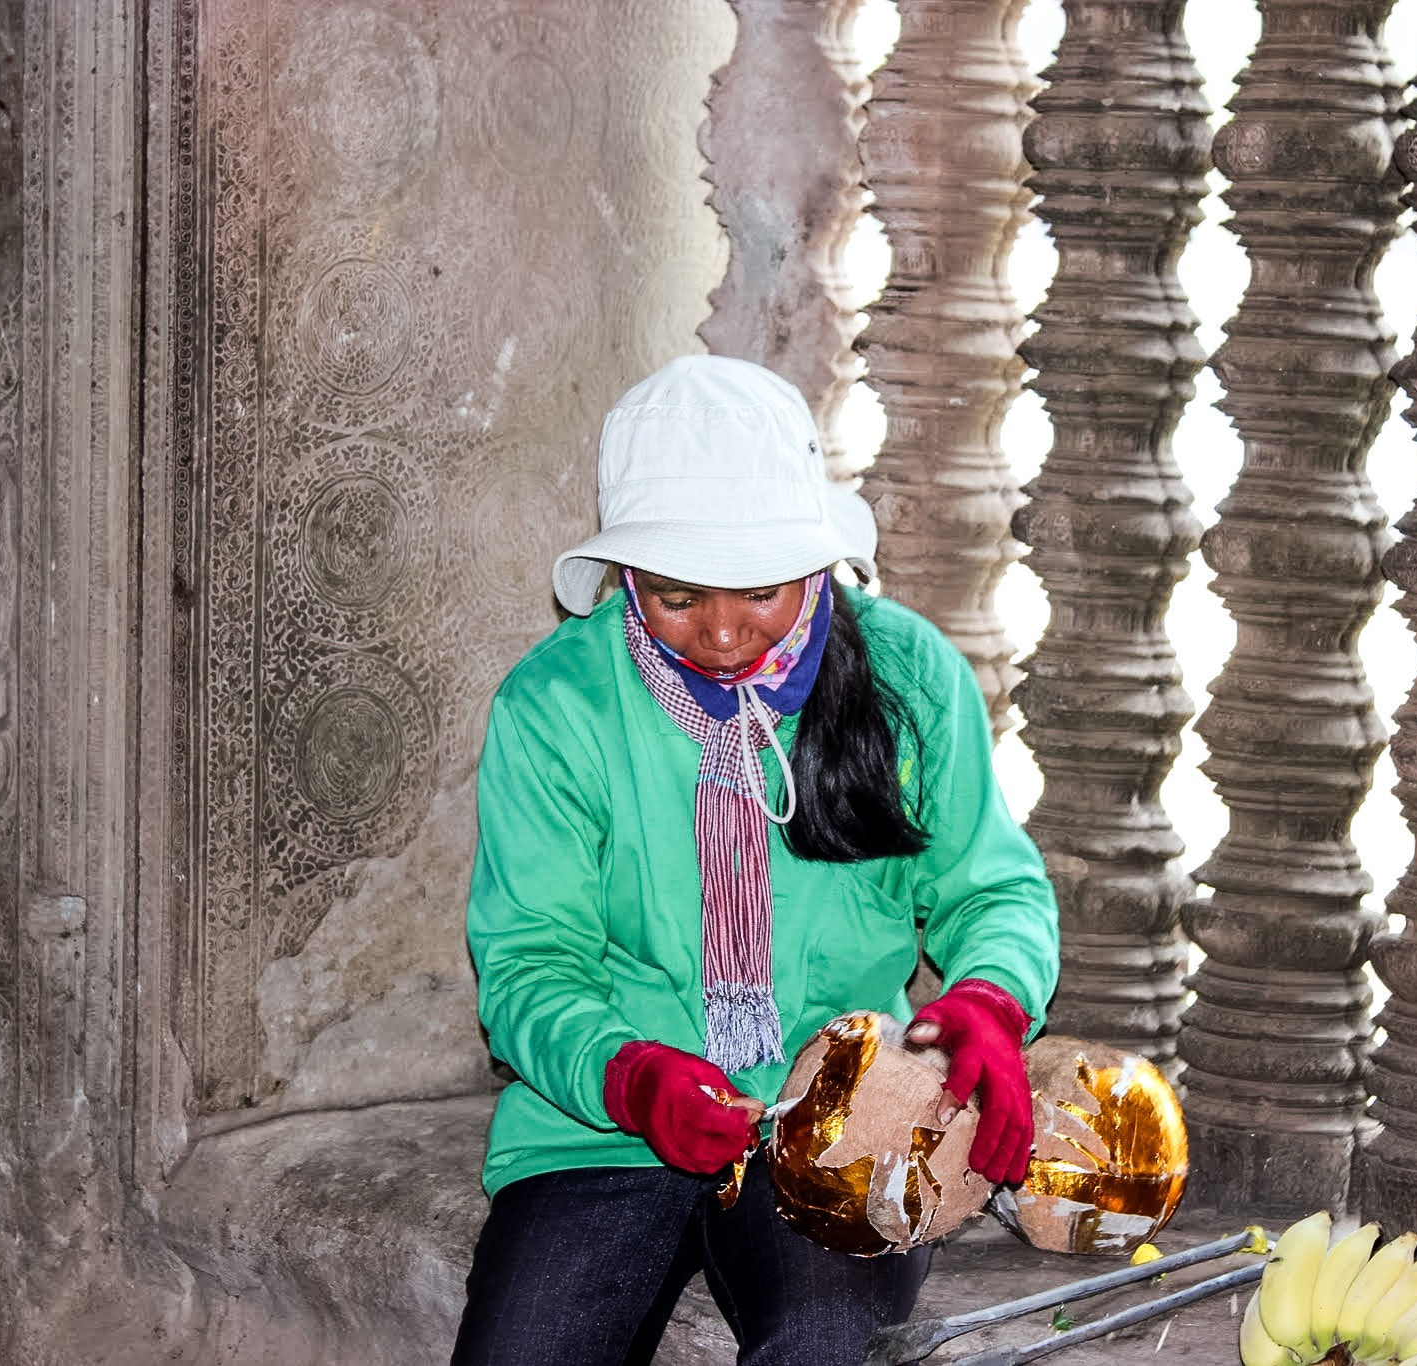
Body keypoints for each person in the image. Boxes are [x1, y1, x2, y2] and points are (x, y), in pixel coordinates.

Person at [450, 355, 1060, 1366]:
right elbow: (527, 959)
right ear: (627, 575)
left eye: (760, 593)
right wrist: (629, 1076)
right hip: (596, 1124)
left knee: (819, 1347)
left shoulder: (911, 677)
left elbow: (990, 889)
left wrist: (991, 1002)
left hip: (841, 1120)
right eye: (679, 596)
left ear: (815, 565)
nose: (725, 634)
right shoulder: (554, 705)